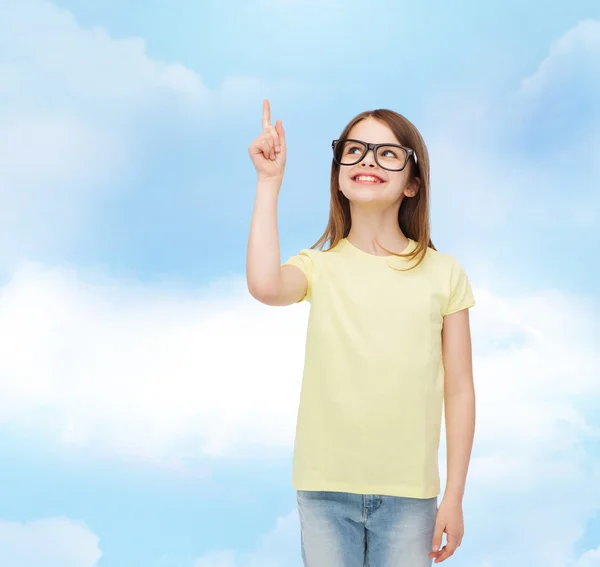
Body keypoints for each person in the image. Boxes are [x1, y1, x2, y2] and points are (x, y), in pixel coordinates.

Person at [246, 99, 476, 566]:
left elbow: (459, 390)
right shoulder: (318, 267)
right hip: (324, 488)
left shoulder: (444, 273)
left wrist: (453, 496)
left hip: (411, 493)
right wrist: (269, 183)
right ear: (338, 172)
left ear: (413, 183)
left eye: (387, 153)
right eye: (354, 150)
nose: (367, 159)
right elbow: (266, 286)